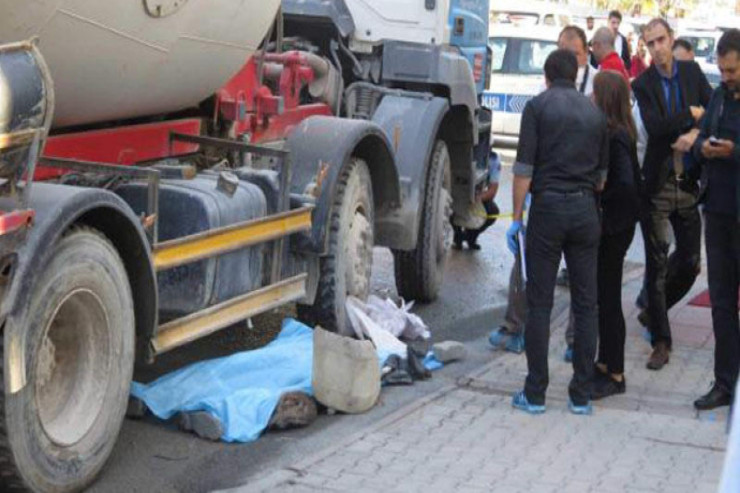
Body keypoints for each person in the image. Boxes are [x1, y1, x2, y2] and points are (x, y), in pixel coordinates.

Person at [507, 49, 608, 415]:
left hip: (547, 210)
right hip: (585, 211)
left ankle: (535, 393)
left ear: (547, 77)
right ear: (576, 73)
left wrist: (517, 217)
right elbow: (601, 179)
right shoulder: (595, 113)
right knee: (586, 305)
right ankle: (580, 395)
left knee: (540, 304)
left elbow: (523, 169)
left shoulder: (537, 108)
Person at [632, 17, 713, 370]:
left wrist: (696, 133)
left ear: (672, 38)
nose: (657, 48)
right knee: (657, 263)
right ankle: (661, 341)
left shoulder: (693, 72)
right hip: (658, 183)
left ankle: (654, 312)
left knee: (691, 262)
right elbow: (656, 127)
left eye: (661, 40)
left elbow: (712, 113)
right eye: (650, 43)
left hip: (689, 182)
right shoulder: (643, 84)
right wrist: (689, 116)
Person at [691, 29, 740, 410]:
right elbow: (700, 137)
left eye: (733, 70)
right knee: (721, 304)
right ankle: (725, 383)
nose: (726, 77)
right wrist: (704, 147)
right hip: (719, 212)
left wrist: (734, 151)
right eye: (722, 70)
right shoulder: (720, 96)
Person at [590, 71, 643, 399]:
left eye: (595, 94)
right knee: (603, 297)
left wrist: (603, 204)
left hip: (615, 227)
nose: (591, 99)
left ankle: (616, 373)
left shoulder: (616, 135)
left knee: (608, 299)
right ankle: (605, 362)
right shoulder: (618, 130)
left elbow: (623, 184)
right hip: (617, 224)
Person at [452, 151, 500, 250]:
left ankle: (470, 237)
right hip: (457, 194)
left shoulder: (493, 159)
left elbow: (492, 190)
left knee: (493, 211)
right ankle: (457, 236)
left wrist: (477, 199)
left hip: (476, 196)